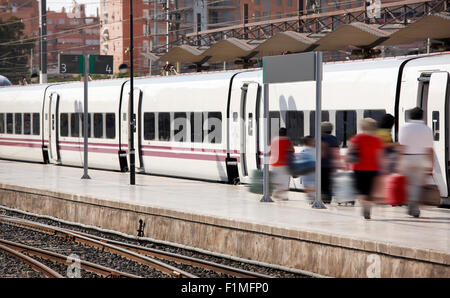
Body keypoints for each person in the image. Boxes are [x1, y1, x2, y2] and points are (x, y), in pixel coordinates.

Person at [398, 107, 434, 218]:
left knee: (408, 183)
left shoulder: (404, 128)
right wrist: (431, 164)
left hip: (407, 158)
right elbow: (429, 149)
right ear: (422, 116)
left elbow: (402, 146)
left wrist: (399, 161)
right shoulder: (427, 129)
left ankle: (411, 204)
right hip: (421, 158)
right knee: (416, 184)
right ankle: (414, 205)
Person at [348, 118, 384, 219]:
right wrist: (383, 168)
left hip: (358, 168)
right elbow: (380, 155)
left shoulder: (357, 138)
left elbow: (350, 151)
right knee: (369, 191)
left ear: (362, 127)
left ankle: (364, 205)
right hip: (373, 168)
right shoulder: (377, 139)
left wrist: (347, 160)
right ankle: (368, 207)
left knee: (360, 191)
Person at [269, 127, 294, 200]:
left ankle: (277, 192)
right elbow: (292, 150)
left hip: (274, 163)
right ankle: (282, 195)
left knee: (277, 179)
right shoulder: (288, 140)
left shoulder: (274, 140)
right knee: (285, 180)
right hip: (284, 163)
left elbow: (270, 152)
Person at [321, 122, 340, 204]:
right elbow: (336, 151)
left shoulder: (320, 137)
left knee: (321, 182)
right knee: (329, 182)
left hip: (321, 164)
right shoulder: (334, 138)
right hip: (331, 164)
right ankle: (328, 199)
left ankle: (322, 198)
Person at [300, 136, 316, 203]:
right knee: (313, 183)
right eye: (313, 141)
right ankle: (312, 197)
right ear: (309, 142)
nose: (314, 142)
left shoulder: (303, 150)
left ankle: (310, 198)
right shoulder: (315, 150)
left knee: (307, 184)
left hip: (305, 170)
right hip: (313, 170)